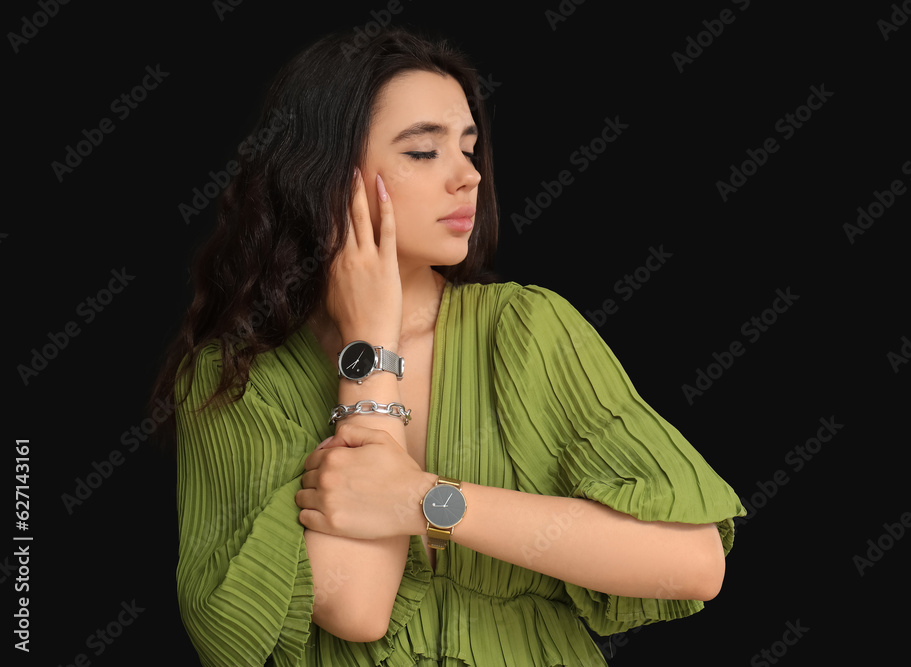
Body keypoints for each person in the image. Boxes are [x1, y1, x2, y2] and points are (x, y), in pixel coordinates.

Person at [152, 26, 746, 667]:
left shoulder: (525, 328)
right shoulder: (235, 375)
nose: (468, 177)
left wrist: (423, 500)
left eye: (469, 148)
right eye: (423, 152)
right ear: (325, 176)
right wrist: (371, 347)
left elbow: (693, 562)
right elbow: (356, 608)